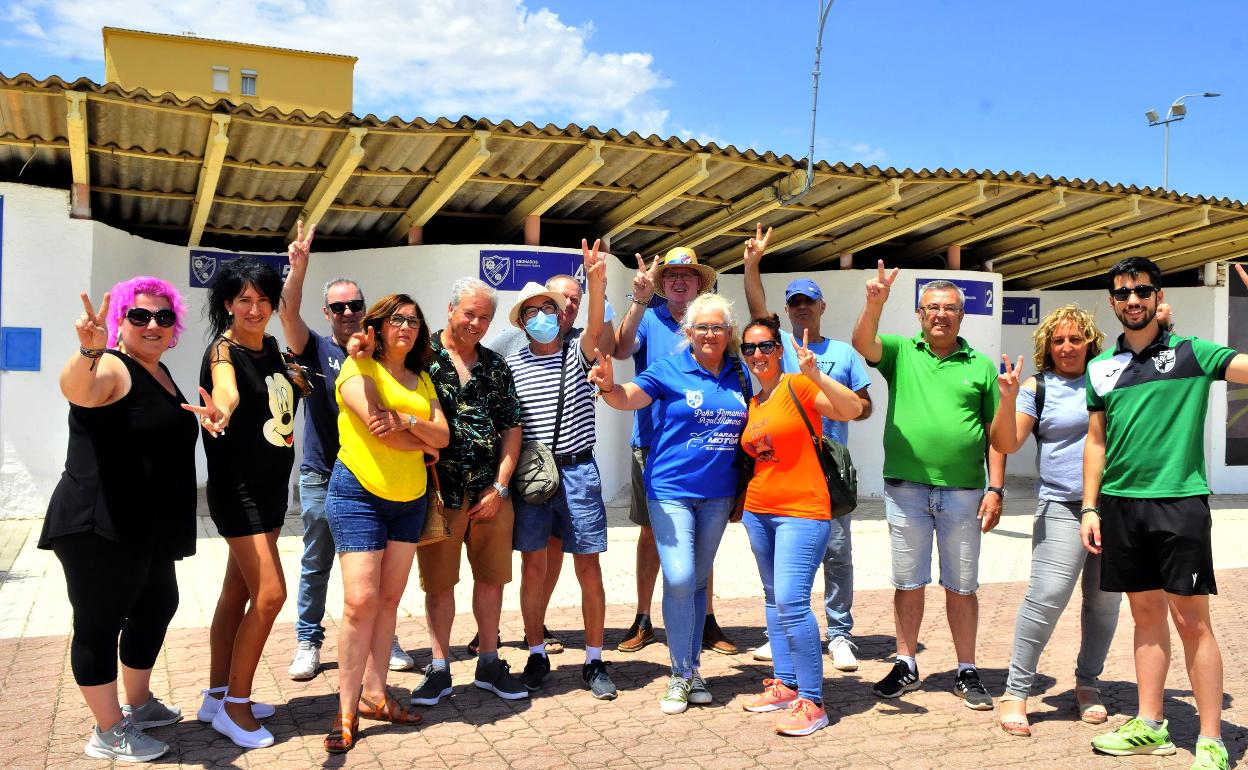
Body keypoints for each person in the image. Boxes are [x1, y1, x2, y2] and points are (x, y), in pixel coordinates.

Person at [1081, 258, 1248, 770]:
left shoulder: (1193, 353)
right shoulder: (1100, 368)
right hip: (1120, 507)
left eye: (1143, 291)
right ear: (1112, 302)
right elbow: (1095, 441)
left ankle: (1212, 740)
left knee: (1191, 621)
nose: (1133, 300)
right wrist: (1090, 506)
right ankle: (1150, 726)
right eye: (1123, 293)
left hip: (1179, 504)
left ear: (1157, 297)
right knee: (1146, 615)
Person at [40, 279, 196, 762]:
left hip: (142, 524)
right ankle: (107, 732)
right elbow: (81, 391)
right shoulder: (110, 365)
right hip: (96, 522)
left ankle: (140, 703)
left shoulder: (162, 371)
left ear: (174, 329)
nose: (153, 325)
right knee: (100, 623)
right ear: (120, 323)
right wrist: (88, 352)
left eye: (164, 318)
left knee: (157, 605)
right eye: (140, 316)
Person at [851, 263, 1004, 711]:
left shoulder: (981, 366)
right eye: (933, 308)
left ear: (962, 316)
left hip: (964, 492)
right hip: (906, 490)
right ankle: (906, 663)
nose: (941, 315)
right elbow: (864, 343)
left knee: (961, 586)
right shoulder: (901, 351)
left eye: (950, 309)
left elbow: (995, 432)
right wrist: (874, 302)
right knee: (908, 581)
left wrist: (995, 488)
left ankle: (966, 670)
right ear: (920, 314)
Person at [591, 293, 749, 715]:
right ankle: (679, 675)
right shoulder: (669, 368)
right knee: (679, 578)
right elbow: (628, 396)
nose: (710, 334)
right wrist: (608, 387)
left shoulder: (741, 373)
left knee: (696, 580)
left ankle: (692, 669)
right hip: (670, 490)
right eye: (702, 328)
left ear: (729, 333)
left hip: (719, 494)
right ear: (689, 332)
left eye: (718, 327)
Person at [742, 223, 873, 671]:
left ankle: (839, 634)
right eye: (794, 302)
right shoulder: (777, 348)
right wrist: (753, 264)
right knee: (783, 562)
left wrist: (824, 386)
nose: (801, 308)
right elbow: (756, 306)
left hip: (826, 472)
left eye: (808, 302)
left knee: (837, 554)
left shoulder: (841, 352)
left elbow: (863, 407)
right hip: (781, 472)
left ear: (821, 306)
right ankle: (778, 630)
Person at [322, 294, 449, 753]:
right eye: (397, 319)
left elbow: (444, 435)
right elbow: (380, 426)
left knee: (389, 601)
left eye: (414, 320)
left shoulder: (423, 378)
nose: (407, 327)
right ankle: (345, 709)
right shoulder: (357, 368)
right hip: (359, 494)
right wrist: (419, 436)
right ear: (377, 326)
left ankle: (376, 695)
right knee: (360, 602)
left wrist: (409, 425)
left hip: (409, 500)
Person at [989, 305, 1120, 737]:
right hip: (1061, 507)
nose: (1067, 347)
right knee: (1045, 598)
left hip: (1114, 507)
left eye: (1075, 339)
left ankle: (1088, 684)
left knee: (1104, 604)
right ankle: (1016, 692)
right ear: (1048, 346)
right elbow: (1006, 441)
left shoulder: (1110, 376)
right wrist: (1007, 401)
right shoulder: (1037, 386)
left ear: (1090, 343)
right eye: (1058, 340)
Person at [187, 258, 301, 749]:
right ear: (228, 304)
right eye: (243, 300)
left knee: (238, 592)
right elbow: (228, 391)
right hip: (241, 493)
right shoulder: (222, 353)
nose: (254, 309)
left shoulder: (273, 348)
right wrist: (220, 411)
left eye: (262, 300)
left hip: (272, 489)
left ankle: (217, 693)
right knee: (271, 595)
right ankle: (235, 707)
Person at [737, 318, 864, 736]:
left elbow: (852, 410)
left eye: (767, 346)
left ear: (779, 349)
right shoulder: (755, 402)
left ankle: (813, 699)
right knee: (774, 600)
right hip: (760, 510)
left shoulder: (800, 386)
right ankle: (786, 684)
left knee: (792, 602)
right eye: (750, 349)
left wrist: (816, 373)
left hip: (803, 510)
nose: (758, 355)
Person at [611, 247, 739, 656]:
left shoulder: (715, 326)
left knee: (703, 538)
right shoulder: (649, 317)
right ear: (662, 283)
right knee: (651, 534)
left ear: (700, 283)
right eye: (670, 276)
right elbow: (621, 348)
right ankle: (644, 617)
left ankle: (705, 619)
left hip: (705, 448)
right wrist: (639, 298)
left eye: (686, 275)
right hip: (652, 443)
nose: (678, 282)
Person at [409, 278, 528, 706]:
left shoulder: (496, 365)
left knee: (492, 580)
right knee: (438, 584)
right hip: (438, 494)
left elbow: (512, 427)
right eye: (468, 313)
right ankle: (439, 667)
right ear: (450, 309)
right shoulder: (420, 358)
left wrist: (500, 485)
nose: (476, 323)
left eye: (484, 317)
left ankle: (490, 663)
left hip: (490, 494)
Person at [506, 243, 617, 699]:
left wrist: (596, 280)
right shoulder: (511, 364)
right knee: (534, 567)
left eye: (546, 308)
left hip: (577, 475)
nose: (540, 316)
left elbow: (595, 327)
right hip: (533, 481)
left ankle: (594, 658)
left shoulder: (578, 352)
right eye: (530, 311)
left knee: (588, 568)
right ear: (521, 320)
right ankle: (536, 651)